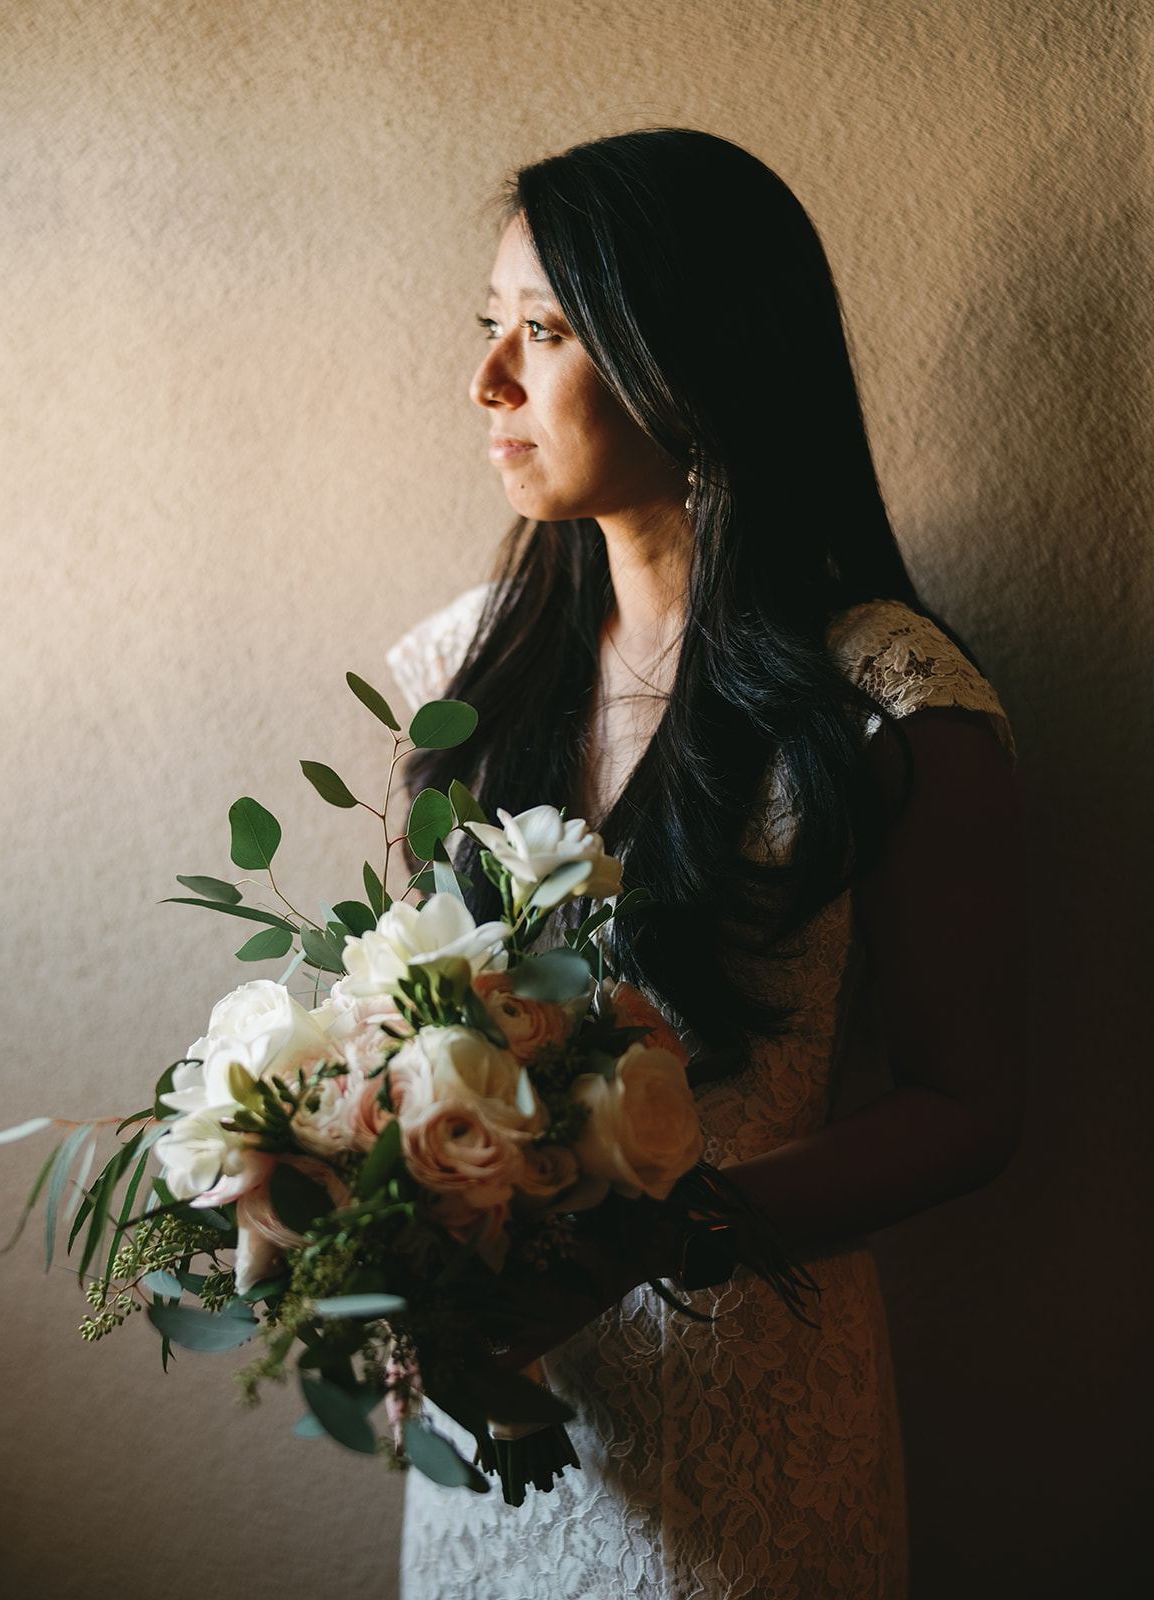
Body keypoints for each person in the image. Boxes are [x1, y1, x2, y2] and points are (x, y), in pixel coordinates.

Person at [387, 129, 1025, 1600]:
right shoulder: (457, 680)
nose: (488, 384)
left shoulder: (892, 705)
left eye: (544, 334)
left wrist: (663, 1237)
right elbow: (418, 1027)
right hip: (508, 1433)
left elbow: (971, 1108)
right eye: (493, 329)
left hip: (756, 1409)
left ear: (694, 356)